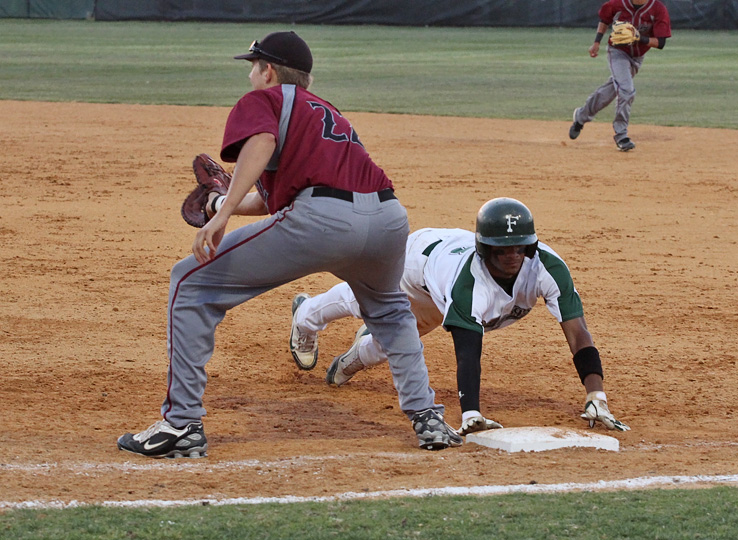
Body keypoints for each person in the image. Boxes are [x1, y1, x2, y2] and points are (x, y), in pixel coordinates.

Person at [117, 31, 461, 458]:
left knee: (190, 282)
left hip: (322, 222)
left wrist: (220, 218)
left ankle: (181, 423)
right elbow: (273, 198)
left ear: (270, 71)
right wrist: (221, 202)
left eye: (253, 66)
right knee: (391, 311)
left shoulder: (266, 100)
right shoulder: (325, 113)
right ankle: (427, 417)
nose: (250, 76)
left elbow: (261, 144)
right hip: (388, 221)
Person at [289, 198, 630, 436]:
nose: (512, 255)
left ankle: (353, 359)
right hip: (418, 265)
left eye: (519, 247)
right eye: (502, 248)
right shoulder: (470, 286)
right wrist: (471, 413)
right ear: (486, 248)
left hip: (441, 290)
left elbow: (578, 333)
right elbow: (468, 352)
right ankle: (305, 317)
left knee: (398, 339)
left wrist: (596, 395)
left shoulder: (547, 268)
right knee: (361, 300)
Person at [568, 0, 672, 151]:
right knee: (627, 90)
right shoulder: (617, 4)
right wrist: (596, 42)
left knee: (610, 91)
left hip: (637, 57)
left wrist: (638, 38)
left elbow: (661, 43)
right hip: (617, 52)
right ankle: (621, 135)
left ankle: (581, 116)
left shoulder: (658, 9)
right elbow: (604, 19)